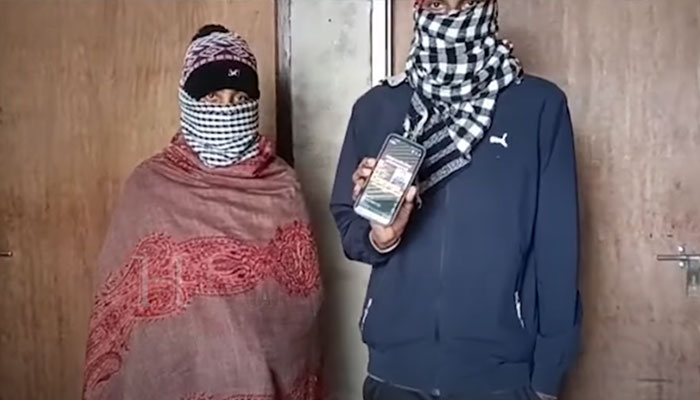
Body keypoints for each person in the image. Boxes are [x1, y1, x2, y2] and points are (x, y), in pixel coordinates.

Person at [330, 0, 581, 399]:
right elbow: (348, 224)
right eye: (435, 1)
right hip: (394, 376)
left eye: (462, 0)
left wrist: (548, 378)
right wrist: (381, 237)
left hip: (501, 381)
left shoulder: (539, 107)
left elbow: (558, 250)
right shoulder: (376, 108)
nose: (448, 9)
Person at [82, 25, 323, 400]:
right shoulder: (150, 187)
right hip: (176, 380)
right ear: (188, 101)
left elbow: (301, 301)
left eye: (239, 98)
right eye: (212, 97)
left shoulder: (281, 184)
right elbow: (123, 309)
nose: (227, 110)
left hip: (261, 382)